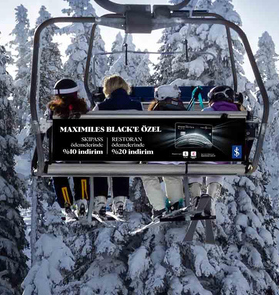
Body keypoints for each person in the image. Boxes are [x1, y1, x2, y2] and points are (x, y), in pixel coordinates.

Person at [92, 75, 143, 217]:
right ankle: (119, 201)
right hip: (130, 156)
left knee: (99, 154)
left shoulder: (101, 107)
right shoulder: (137, 106)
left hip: (107, 155)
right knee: (124, 150)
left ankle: (100, 200)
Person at [44, 78, 92, 218]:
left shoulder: (53, 111)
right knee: (81, 172)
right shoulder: (84, 110)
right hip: (80, 152)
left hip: (60, 153)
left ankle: (66, 203)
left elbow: (44, 130)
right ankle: (82, 198)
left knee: (59, 176)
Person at [187, 85, 239, 210]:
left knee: (194, 170)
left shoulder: (207, 112)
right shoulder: (239, 113)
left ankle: (196, 197)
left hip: (205, 156)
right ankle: (211, 198)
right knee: (217, 172)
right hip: (227, 158)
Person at [140, 84, 187, 219]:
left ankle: (159, 208)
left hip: (156, 158)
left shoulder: (154, 113)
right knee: (173, 175)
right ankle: (176, 205)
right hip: (177, 158)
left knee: (148, 175)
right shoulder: (184, 112)